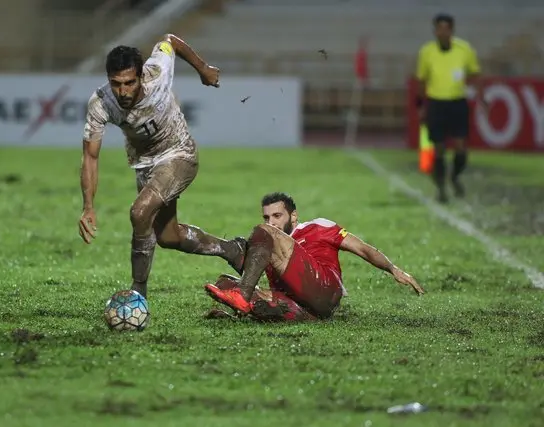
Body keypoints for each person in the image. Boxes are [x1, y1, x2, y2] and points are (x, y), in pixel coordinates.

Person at [78, 34, 245, 298]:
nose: (123, 91)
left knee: (140, 212)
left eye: (129, 82)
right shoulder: (101, 103)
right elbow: (90, 156)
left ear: (141, 76)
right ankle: (231, 250)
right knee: (168, 237)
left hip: (179, 153)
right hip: (146, 166)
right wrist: (88, 206)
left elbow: (170, 40)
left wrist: (203, 69)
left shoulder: (157, 71)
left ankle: (138, 294)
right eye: (116, 84)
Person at [204, 192, 425, 322]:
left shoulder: (318, 227)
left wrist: (393, 269)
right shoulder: (268, 247)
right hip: (300, 302)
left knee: (262, 234)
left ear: (293, 216)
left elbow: (363, 249)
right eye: (267, 217)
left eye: (277, 215)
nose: (271, 222)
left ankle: (245, 299)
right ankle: (293, 314)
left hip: (324, 290)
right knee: (224, 282)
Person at [415, 13, 486, 203]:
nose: (443, 33)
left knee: (461, 147)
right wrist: (420, 106)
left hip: (457, 103)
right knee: (439, 149)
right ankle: (441, 188)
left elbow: (475, 74)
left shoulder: (464, 49)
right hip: (436, 103)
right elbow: (421, 80)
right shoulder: (427, 52)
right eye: (439, 29)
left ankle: (454, 176)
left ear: (452, 31)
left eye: (446, 29)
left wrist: (482, 97)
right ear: (434, 31)